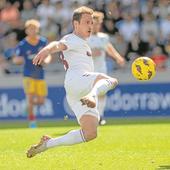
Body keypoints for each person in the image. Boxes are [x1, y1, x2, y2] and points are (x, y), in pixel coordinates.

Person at [26, 6, 119, 158]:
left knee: (90, 133)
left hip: (76, 91)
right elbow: (57, 44)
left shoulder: (82, 42)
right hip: (77, 80)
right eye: (87, 22)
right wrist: (46, 50)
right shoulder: (72, 38)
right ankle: (93, 95)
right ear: (76, 24)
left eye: (92, 22)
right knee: (110, 80)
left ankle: (47, 144)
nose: (91, 26)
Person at [87, 11, 125, 125]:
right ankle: (90, 117)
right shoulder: (85, 38)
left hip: (101, 70)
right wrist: (91, 53)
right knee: (90, 94)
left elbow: (109, 47)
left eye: (99, 23)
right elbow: (80, 52)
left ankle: (100, 116)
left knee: (102, 93)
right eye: (94, 23)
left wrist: (118, 57)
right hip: (89, 71)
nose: (96, 26)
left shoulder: (103, 37)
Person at [13, 19, 51, 128]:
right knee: (30, 98)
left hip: (40, 75)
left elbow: (48, 55)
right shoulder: (23, 44)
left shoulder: (43, 42)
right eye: (30, 29)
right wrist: (19, 60)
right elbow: (16, 59)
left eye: (35, 29)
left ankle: (28, 106)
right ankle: (32, 121)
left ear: (38, 30)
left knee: (41, 101)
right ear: (26, 31)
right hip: (28, 75)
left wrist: (46, 61)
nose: (33, 31)